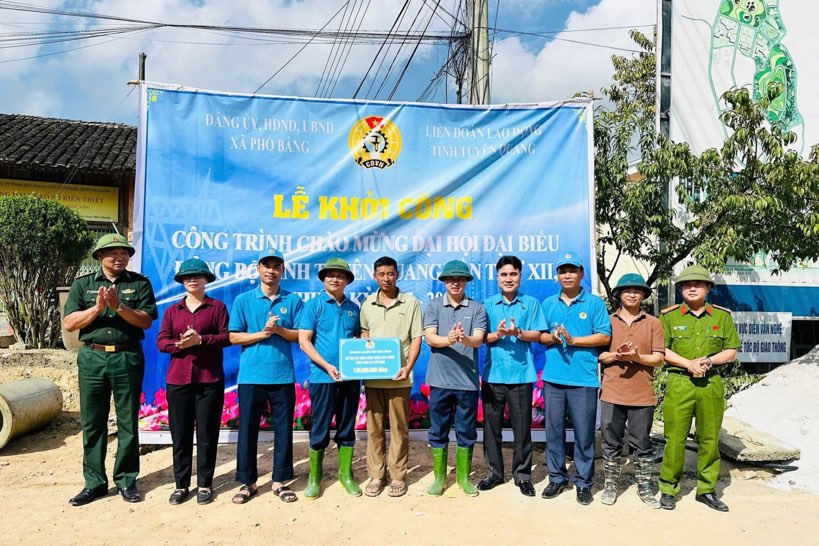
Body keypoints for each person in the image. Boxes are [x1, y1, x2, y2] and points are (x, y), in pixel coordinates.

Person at [63, 233, 157, 506]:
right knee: (93, 423)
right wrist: (97, 308)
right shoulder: (83, 285)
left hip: (126, 357)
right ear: (99, 257)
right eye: (113, 253)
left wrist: (119, 306)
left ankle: (127, 480)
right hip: (92, 358)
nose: (120, 257)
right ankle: (94, 482)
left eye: (124, 253)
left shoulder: (139, 284)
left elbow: (145, 321)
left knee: (127, 421)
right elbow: (69, 323)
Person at [658, 264, 740, 512]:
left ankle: (706, 490)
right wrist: (688, 363)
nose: (692, 288)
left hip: (710, 384)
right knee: (674, 438)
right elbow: (662, 349)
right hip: (679, 382)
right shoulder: (669, 317)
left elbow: (731, 351)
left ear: (708, 288)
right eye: (686, 285)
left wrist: (708, 361)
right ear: (681, 289)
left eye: (698, 284)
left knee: (709, 439)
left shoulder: (722, 317)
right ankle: (669, 488)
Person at [228, 248, 303, 504]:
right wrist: (262, 334)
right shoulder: (243, 300)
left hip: (282, 375)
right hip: (251, 376)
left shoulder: (292, 301)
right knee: (247, 430)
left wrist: (279, 329)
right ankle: (247, 482)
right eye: (266, 265)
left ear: (282, 270)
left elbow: (301, 336)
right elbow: (233, 336)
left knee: (283, 430)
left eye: (276, 266)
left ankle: (280, 481)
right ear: (258, 269)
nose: (271, 270)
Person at [156, 258, 231, 505]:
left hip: (209, 379)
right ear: (181, 281)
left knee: (208, 434)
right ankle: (181, 485)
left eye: (197, 276)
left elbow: (224, 338)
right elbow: (161, 341)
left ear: (206, 279)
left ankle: (205, 484)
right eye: (187, 277)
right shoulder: (171, 311)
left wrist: (200, 340)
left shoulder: (217, 307)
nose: (192, 280)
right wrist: (178, 344)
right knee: (180, 434)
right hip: (178, 380)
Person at [539, 251, 611, 505]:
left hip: (584, 379)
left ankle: (583, 482)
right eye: (562, 271)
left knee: (584, 434)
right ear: (557, 275)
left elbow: (604, 337)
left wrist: (574, 340)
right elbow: (540, 336)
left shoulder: (594, 304)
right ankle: (557, 478)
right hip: (554, 379)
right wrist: (553, 336)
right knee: (554, 432)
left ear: (581, 274)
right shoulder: (548, 304)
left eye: (572, 270)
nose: (567, 275)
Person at [478, 255, 548, 497]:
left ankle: (522, 475)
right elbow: (480, 338)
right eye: (504, 275)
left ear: (520, 276)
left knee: (522, 430)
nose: (508, 279)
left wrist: (518, 331)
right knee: (491, 429)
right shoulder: (486, 305)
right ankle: (494, 473)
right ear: (497, 278)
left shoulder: (531, 303)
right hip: (493, 375)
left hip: (521, 375)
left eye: (513, 274)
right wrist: (496, 335)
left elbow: (538, 334)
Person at [597, 273, 664, 508]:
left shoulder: (654, 323)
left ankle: (644, 487)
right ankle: (610, 485)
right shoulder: (608, 320)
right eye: (627, 290)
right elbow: (600, 356)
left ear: (644, 295)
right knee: (610, 441)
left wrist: (637, 357)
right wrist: (617, 355)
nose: (632, 294)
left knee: (642, 442)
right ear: (618, 295)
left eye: (637, 290)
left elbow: (658, 358)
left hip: (642, 393)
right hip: (613, 391)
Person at [297, 257, 362, 500]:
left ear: (347, 281)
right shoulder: (313, 306)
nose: (335, 278)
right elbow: (304, 341)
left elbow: (357, 339)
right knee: (320, 428)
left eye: (340, 275)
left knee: (347, 428)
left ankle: (346, 475)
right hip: (322, 378)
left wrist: (360, 345)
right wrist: (326, 365)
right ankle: (315, 478)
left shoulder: (353, 308)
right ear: (323, 279)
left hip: (350, 378)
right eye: (330, 275)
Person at [359, 256, 423, 498]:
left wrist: (408, 367)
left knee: (398, 428)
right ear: (375, 276)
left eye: (390, 273)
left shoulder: (411, 303)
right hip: (373, 377)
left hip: (399, 376)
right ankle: (376, 475)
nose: (386, 278)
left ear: (398, 275)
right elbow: (364, 331)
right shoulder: (367, 304)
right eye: (381, 274)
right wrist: (364, 339)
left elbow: (417, 337)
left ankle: (397, 476)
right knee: (374, 428)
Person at [424, 259, 487, 497]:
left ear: (467, 281)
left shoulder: (477, 308)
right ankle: (439, 478)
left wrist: (464, 339)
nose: (455, 283)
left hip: (467, 381)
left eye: (460, 279)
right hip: (439, 380)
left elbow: (478, 339)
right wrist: (449, 339)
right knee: (438, 429)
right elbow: (431, 338)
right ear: (444, 282)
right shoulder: (433, 306)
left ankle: (463, 478)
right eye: (450, 279)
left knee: (466, 430)